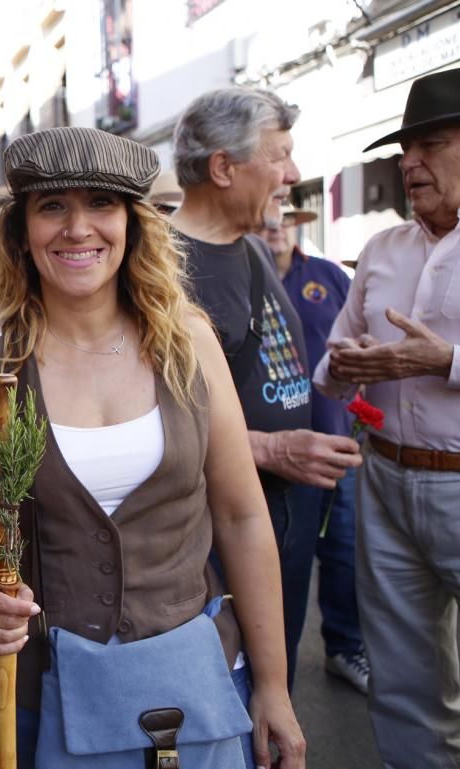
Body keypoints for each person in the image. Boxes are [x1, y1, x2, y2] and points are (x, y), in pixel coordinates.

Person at [0, 126, 304, 769]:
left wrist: (274, 686)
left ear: (133, 224)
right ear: (21, 232)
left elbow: (242, 516)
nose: (77, 229)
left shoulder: (189, 344)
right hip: (33, 685)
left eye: (101, 205)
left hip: (192, 673)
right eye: (52, 206)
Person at [169, 87, 363, 689]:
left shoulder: (253, 246)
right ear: (224, 168)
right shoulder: (160, 266)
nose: (294, 174)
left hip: (283, 521)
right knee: (230, 699)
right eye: (279, 156)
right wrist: (273, 450)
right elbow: (150, 418)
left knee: (273, 689)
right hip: (211, 540)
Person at [314, 67, 460, 768]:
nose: (409, 163)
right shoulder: (381, 250)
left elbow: (433, 359)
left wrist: (445, 361)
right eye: (405, 152)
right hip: (385, 477)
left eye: (429, 145)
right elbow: (334, 362)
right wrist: (348, 370)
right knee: (404, 680)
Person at [263, 205, 370, 694]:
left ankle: (343, 646)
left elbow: (360, 335)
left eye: (286, 218)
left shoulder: (327, 275)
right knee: (280, 563)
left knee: (343, 550)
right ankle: (268, 670)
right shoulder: (244, 274)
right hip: (272, 453)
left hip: (333, 440)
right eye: (270, 218)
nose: (278, 226)